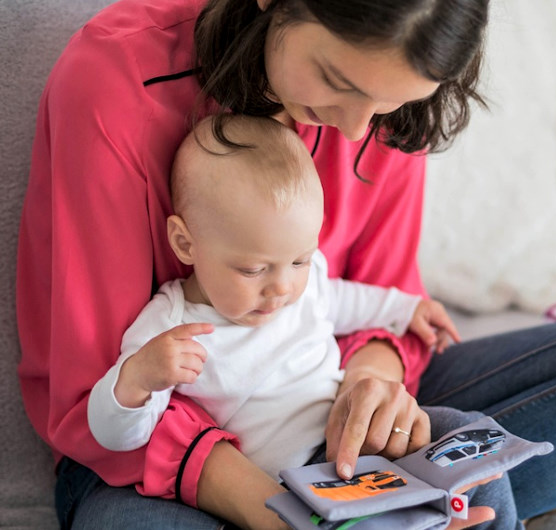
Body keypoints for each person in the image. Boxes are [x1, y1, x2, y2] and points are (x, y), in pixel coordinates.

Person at [15, 0, 556, 529]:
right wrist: (289, 516)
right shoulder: (115, 81)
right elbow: (101, 393)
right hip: (148, 454)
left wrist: (374, 392)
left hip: (325, 404)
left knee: (479, 461)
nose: (354, 129)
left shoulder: (384, 100)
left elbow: (379, 296)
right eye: (335, 80)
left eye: (394, 102)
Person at [87, 114, 461, 481]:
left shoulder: (303, 281)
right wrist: (137, 379)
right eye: (253, 270)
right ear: (186, 244)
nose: (282, 288)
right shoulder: (171, 327)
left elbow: (346, 300)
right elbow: (117, 437)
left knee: (464, 432)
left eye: (300, 260)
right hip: (293, 480)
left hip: (351, 436)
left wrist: (407, 309)